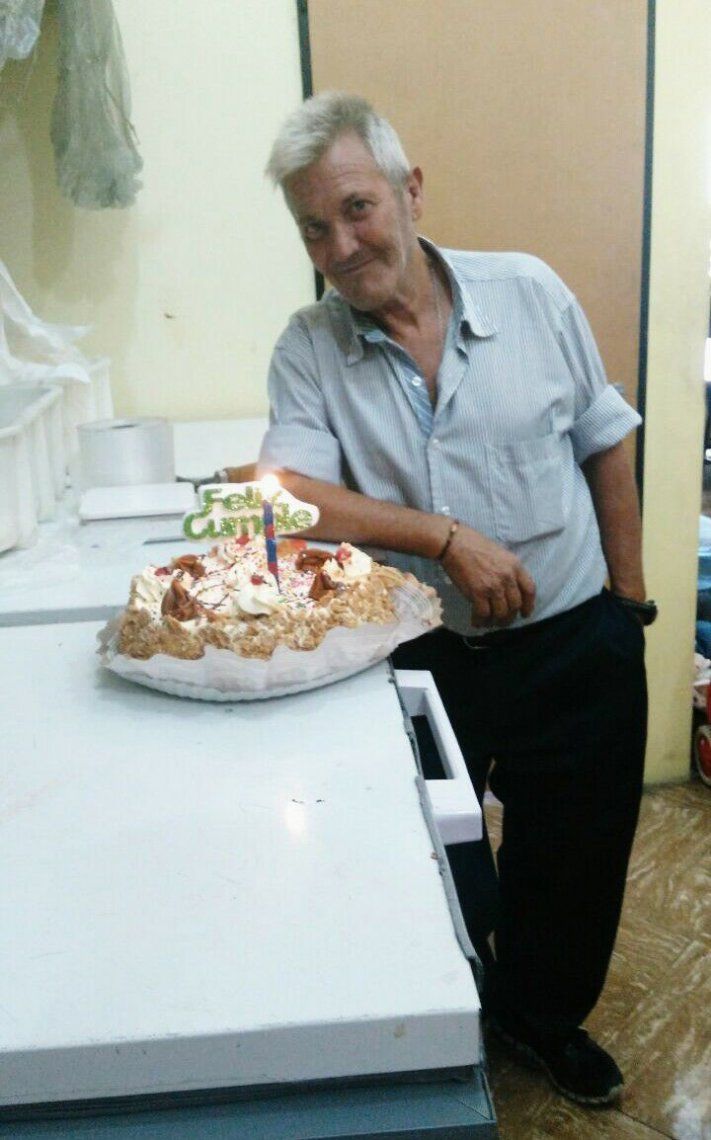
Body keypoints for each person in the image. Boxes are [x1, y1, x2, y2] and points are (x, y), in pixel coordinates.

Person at [258, 91, 652, 1106]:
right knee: (425, 852)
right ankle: (454, 1002)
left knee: (574, 858)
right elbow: (289, 496)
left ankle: (542, 1017)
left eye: (356, 208)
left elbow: (605, 441)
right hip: (420, 655)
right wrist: (441, 536)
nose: (340, 246)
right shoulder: (310, 346)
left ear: (410, 191)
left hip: (574, 642)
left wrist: (630, 605)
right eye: (313, 228)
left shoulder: (529, 292)